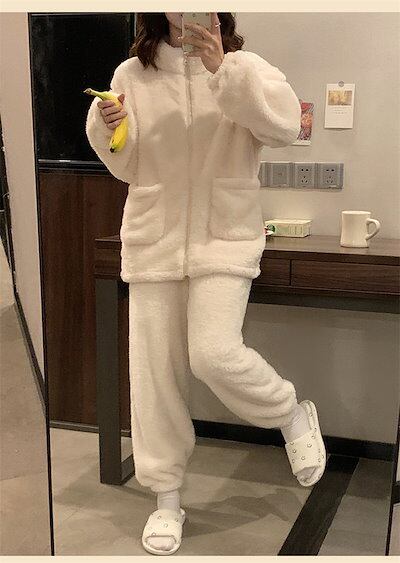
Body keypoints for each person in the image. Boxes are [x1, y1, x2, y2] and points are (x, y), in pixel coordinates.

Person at [85, 12, 326, 556]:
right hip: (155, 236)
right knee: (154, 373)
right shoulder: (131, 75)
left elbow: (285, 128)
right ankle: (166, 498)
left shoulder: (246, 66)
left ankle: (289, 412)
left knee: (214, 354)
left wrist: (226, 72)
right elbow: (125, 164)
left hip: (225, 234)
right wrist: (108, 125)